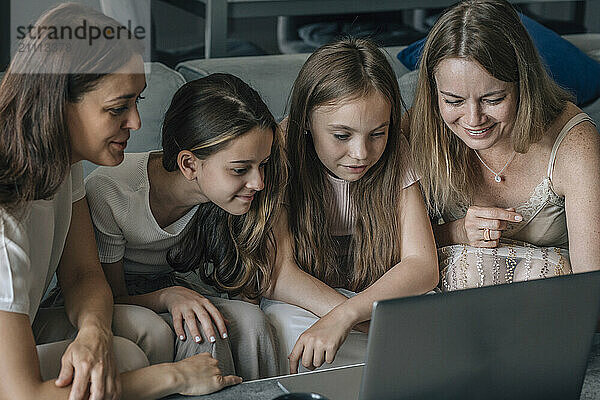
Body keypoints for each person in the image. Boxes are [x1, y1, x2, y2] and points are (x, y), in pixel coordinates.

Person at [0, 3, 240, 399]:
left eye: (136, 102)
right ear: (57, 104)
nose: (135, 124)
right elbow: (22, 395)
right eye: (117, 109)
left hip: (17, 327)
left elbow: (82, 274)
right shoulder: (6, 222)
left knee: (140, 331)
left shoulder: (60, 159)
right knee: (127, 357)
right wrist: (176, 377)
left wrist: (92, 332)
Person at [84, 74, 285, 380]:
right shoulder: (111, 191)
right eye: (241, 169)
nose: (258, 182)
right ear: (189, 164)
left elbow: (242, 286)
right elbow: (108, 295)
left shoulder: (231, 200)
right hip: (120, 299)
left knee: (251, 319)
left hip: (181, 286)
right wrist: (168, 295)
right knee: (201, 331)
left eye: (263, 165)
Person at [262, 38, 439, 374]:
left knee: (431, 323)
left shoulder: (395, 152)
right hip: (305, 299)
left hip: (368, 298)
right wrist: (346, 318)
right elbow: (280, 275)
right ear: (305, 122)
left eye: (377, 133)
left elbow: (421, 264)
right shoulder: (280, 153)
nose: (361, 153)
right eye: (341, 135)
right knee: (290, 331)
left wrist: (348, 316)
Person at [409, 0, 600, 290]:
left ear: (524, 85)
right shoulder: (419, 127)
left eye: (493, 99)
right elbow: (378, 250)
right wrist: (456, 231)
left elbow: (591, 287)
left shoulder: (575, 144)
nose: (474, 120)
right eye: (453, 100)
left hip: (546, 307)